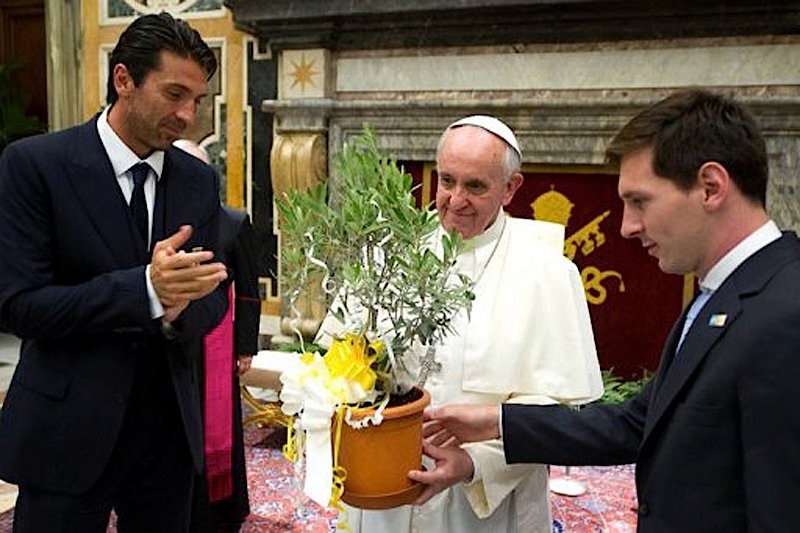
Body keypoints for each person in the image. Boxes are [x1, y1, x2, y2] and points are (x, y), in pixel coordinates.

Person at [420, 90, 800, 531]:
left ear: (711, 187)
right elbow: (637, 424)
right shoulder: (726, 293)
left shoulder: (786, 314)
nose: (627, 226)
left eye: (640, 201)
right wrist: (497, 422)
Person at [0, 13, 229, 532]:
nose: (187, 115)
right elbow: (19, 306)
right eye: (174, 94)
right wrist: (145, 289)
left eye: (197, 100)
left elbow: (215, 293)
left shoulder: (197, 180)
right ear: (123, 79)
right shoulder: (34, 165)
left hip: (168, 439)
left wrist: (177, 310)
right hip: (66, 434)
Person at [332, 115, 603, 532]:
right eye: (446, 181)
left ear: (510, 188)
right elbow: (342, 362)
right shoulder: (388, 256)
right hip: (384, 488)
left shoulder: (548, 275)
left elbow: (556, 413)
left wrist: (475, 462)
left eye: (475, 186)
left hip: (483, 502)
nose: (455, 200)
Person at [174, 139, 262, 532]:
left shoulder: (233, 221)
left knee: (214, 427)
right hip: (171, 342)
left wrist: (244, 347)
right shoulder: (157, 219)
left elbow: (248, 292)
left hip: (215, 345)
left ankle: (220, 510)